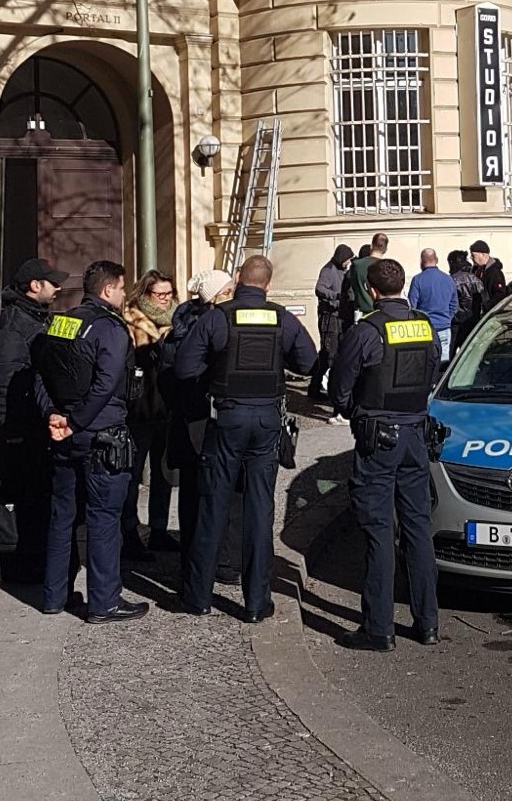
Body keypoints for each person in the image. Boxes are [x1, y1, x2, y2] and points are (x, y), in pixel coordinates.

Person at [176, 253, 316, 619]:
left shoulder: (217, 318)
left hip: (226, 418)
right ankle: (256, 603)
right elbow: (308, 362)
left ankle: (198, 597)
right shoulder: (282, 318)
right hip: (267, 421)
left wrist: (215, 369)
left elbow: (185, 367)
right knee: (259, 508)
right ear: (268, 284)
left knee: (213, 504)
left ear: (238, 281)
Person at [329, 257, 440, 651]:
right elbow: (432, 371)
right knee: (417, 528)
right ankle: (427, 624)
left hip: (378, 439)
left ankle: (379, 629)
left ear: (371, 290)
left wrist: (352, 410)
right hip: (416, 435)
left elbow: (340, 386)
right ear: (403, 286)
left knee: (378, 530)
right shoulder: (426, 327)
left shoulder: (367, 330)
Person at [35, 259, 148, 625]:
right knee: (103, 519)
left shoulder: (60, 322)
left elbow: (41, 373)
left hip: (64, 432)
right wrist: (75, 421)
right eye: (121, 288)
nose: (124, 294)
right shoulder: (111, 328)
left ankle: (54, 596)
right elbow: (106, 384)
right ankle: (104, 602)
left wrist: (53, 414)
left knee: (62, 516)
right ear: (107, 289)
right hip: (101, 433)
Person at [0, 257, 65, 585]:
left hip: (33, 424)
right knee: (23, 498)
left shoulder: (35, 317)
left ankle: (33, 564)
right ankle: (21, 569)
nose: (58, 287)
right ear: (35, 286)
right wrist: (11, 430)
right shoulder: (14, 324)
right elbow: (3, 379)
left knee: (36, 498)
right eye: (52, 282)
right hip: (19, 428)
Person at [160, 269, 234, 597]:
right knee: (206, 496)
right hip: (200, 420)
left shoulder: (182, 326)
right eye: (229, 290)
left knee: (192, 496)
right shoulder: (209, 327)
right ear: (215, 297)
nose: (234, 295)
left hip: (186, 420)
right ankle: (206, 566)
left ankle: (193, 565)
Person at [122, 269, 178, 557]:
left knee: (163, 473)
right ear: (146, 294)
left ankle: (159, 529)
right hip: (139, 409)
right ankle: (129, 532)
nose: (165, 299)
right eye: (160, 294)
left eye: (169, 293)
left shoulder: (177, 319)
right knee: (132, 474)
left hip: (166, 407)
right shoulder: (131, 320)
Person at [309, 244, 355, 404]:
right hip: (330, 319)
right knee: (328, 356)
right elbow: (319, 289)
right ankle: (315, 388)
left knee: (338, 355)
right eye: (347, 260)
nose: (348, 263)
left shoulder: (344, 271)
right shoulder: (328, 271)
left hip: (340, 317)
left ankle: (324, 387)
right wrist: (336, 296)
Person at [408, 248, 459, 362]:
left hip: (424, 328)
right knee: (443, 362)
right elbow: (454, 305)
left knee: (425, 362)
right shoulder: (448, 279)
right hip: (444, 326)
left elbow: (412, 306)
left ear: (422, 262)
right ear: (436, 260)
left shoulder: (417, 280)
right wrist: (447, 318)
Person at [448, 248, 483, 352]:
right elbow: (483, 300)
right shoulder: (476, 279)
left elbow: (449, 303)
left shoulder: (451, 280)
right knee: (472, 351)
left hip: (456, 322)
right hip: (474, 321)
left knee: (451, 353)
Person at [348, 234, 389, 319]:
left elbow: (353, 287)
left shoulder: (356, 265)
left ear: (371, 246)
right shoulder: (388, 267)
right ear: (385, 249)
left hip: (361, 313)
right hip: (381, 313)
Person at [470, 239, 506, 305]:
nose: (471, 257)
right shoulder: (476, 270)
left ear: (483, 255)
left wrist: (486, 306)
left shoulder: (495, 273)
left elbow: (500, 295)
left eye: (473, 255)